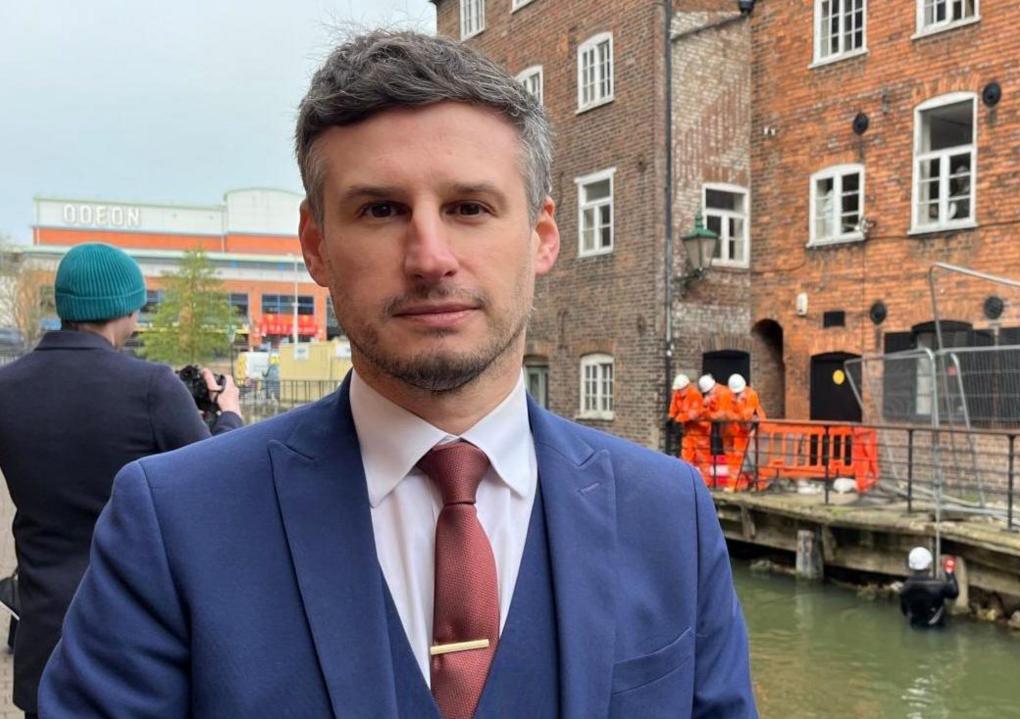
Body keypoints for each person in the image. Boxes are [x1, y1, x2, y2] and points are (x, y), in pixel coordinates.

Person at [41, 31, 755, 719]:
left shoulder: (670, 514)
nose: (430, 256)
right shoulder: (175, 521)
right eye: (381, 209)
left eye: (469, 208)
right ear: (316, 245)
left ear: (541, 236)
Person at [0, 243, 242, 718]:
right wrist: (228, 415)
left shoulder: (7, 386)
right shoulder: (151, 387)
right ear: (126, 308)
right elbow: (218, 476)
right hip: (129, 637)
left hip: (43, 637)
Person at [899, 547, 959, 629]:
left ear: (911, 566)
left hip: (915, 626)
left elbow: (905, 611)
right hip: (936, 628)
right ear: (929, 564)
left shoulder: (905, 587)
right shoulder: (938, 585)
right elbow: (954, 593)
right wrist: (949, 572)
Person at [724, 374, 765, 491]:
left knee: (755, 459)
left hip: (755, 430)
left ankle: (759, 485)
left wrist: (736, 412)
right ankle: (737, 485)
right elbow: (728, 413)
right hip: (740, 431)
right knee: (738, 458)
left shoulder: (751, 395)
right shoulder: (731, 396)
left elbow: (746, 416)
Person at [666, 373, 702, 465]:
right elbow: (673, 406)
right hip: (687, 430)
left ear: (686, 387)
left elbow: (694, 413)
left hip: (699, 430)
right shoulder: (677, 393)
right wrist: (671, 417)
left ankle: (700, 477)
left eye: (680, 390)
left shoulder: (694, 395)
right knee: (686, 455)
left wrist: (679, 419)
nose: (678, 392)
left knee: (700, 456)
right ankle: (686, 473)